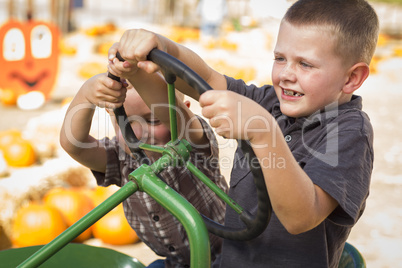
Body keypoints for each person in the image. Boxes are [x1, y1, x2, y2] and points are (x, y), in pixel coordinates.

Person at [106, 0, 378, 267]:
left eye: (305, 64)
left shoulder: (350, 132)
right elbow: (209, 80)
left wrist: (263, 132)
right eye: (280, 58)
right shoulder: (270, 102)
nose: (285, 74)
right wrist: (156, 55)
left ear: (351, 78)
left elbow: (301, 218)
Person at [59, 73, 228, 268]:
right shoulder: (120, 158)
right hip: (179, 263)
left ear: (183, 112)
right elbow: (74, 145)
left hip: (232, 255)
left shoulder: (191, 146)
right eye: (127, 123)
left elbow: (174, 112)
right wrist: (86, 94)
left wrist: (138, 72)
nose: (138, 134)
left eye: (154, 120)